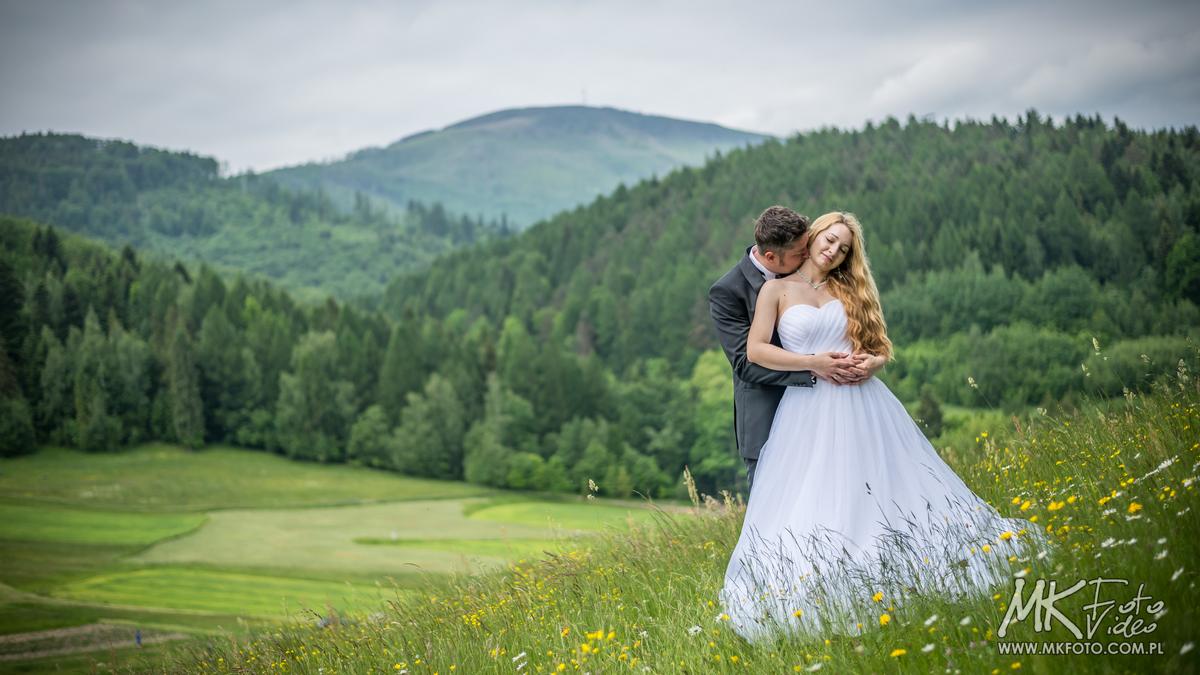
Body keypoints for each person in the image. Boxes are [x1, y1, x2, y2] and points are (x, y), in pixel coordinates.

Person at [719, 211, 1042, 642]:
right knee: (814, 490)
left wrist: (872, 364)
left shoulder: (849, 287)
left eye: (844, 248)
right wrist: (813, 364)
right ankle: (818, 577)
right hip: (806, 408)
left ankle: (902, 562)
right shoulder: (775, 290)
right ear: (813, 236)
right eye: (829, 240)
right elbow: (756, 352)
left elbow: (879, 346)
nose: (833, 251)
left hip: (861, 403)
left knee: (877, 485)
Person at [708, 206, 864, 492]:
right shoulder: (728, 292)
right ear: (771, 257)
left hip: (825, 409)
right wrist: (813, 367)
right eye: (799, 253)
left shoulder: (809, 274)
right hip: (766, 412)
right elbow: (745, 363)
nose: (808, 255)